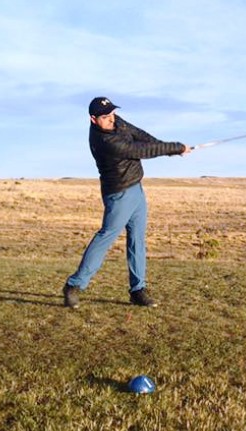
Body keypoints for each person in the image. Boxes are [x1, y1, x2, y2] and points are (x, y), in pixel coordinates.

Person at [63, 97, 190, 309]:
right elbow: (139, 150)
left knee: (137, 241)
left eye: (112, 113)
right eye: (105, 117)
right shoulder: (106, 142)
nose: (111, 119)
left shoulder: (116, 121)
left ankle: (138, 290)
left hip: (136, 190)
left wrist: (168, 149)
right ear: (93, 119)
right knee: (105, 237)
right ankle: (73, 285)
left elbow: (140, 136)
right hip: (119, 194)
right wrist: (175, 148)